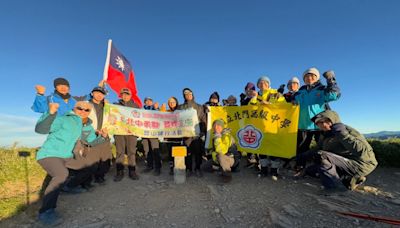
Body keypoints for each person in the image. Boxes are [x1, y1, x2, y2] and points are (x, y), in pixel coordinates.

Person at [35, 101, 108, 226]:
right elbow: (41, 129)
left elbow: (91, 141)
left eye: (87, 110)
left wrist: (103, 137)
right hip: (50, 154)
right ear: (74, 109)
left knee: (90, 165)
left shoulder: (86, 126)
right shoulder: (63, 119)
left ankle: (69, 186)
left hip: (67, 157)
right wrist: (50, 113)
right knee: (61, 174)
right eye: (80, 108)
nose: (83, 112)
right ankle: (46, 211)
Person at [300, 110, 378, 191]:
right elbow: (318, 148)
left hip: (361, 164)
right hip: (343, 161)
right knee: (310, 171)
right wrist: (301, 157)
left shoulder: (346, 131)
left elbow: (363, 152)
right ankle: (350, 179)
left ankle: (335, 188)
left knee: (321, 155)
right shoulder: (325, 134)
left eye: (326, 121)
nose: (323, 124)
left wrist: (343, 135)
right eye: (319, 123)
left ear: (333, 120)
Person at [293, 68, 341, 173]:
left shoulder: (322, 89)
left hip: (320, 125)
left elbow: (334, 95)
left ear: (317, 78)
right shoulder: (300, 92)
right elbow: (290, 102)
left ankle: (321, 168)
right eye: (306, 76)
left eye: (312, 76)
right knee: (301, 147)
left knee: (323, 148)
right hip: (303, 124)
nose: (309, 78)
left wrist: (331, 80)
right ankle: (300, 167)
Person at [250, 76, 286, 180]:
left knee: (274, 149)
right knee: (262, 149)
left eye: (265, 83)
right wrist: (253, 98)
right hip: (259, 126)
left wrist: (269, 104)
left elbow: (284, 106)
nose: (262, 85)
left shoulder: (276, 93)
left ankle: (274, 171)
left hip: (273, 126)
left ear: (268, 84)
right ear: (257, 86)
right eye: (260, 83)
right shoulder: (255, 95)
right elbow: (250, 109)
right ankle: (264, 170)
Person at [178, 88, 207, 177]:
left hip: (197, 133)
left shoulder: (199, 106)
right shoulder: (181, 107)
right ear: (184, 96)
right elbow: (176, 119)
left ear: (192, 94)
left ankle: (198, 168)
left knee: (198, 152)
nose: (188, 95)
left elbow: (203, 119)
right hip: (186, 134)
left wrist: (203, 131)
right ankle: (189, 169)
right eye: (186, 94)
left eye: (190, 93)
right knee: (188, 152)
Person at [87, 85, 113, 184]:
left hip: (105, 135)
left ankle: (100, 177)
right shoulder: (87, 105)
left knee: (105, 158)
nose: (99, 95)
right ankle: (87, 180)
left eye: (102, 94)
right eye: (97, 92)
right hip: (91, 135)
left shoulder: (106, 106)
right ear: (92, 93)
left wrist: (109, 107)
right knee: (92, 159)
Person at [113, 88, 140, 181]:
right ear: (121, 95)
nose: (125, 96)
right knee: (119, 152)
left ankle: (132, 171)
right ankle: (119, 172)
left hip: (131, 133)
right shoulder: (115, 105)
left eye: (127, 94)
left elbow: (141, 119)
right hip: (119, 132)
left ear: (130, 95)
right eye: (123, 94)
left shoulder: (136, 106)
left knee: (131, 152)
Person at [142, 97, 162, 176]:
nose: (149, 102)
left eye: (150, 101)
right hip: (144, 133)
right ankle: (149, 166)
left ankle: (158, 168)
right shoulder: (141, 110)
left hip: (154, 134)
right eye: (147, 101)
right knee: (147, 151)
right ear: (145, 102)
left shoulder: (156, 109)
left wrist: (157, 109)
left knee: (155, 150)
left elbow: (161, 117)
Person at [162, 96, 182, 175]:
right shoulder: (166, 111)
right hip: (169, 136)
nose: (171, 103)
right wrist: (162, 110)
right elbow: (160, 118)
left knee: (178, 152)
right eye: (170, 102)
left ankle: (179, 167)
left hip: (178, 136)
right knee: (170, 153)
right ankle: (171, 168)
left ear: (176, 102)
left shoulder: (180, 111)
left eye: (173, 102)